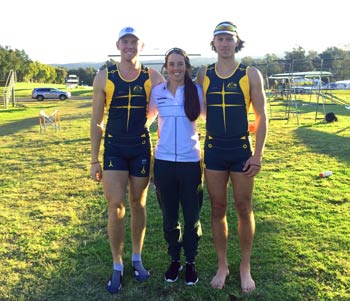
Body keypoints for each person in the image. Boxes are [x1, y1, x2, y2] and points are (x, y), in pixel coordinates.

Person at [90, 26, 165, 294]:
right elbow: (97, 121)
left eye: (134, 42)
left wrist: (149, 121)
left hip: (141, 147)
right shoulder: (104, 76)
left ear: (141, 46)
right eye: (125, 41)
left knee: (138, 203)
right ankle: (117, 265)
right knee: (116, 206)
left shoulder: (153, 76)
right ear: (118, 45)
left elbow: (165, 105)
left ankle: (136, 258)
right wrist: (94, 160)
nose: (129, 46)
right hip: (114, 149)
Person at [196, 21, 268, 293]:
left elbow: (262, 117)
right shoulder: (204, 73)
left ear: (237, 42)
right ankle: (222, 265)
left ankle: (244, 266)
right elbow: (190, 105)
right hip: (214, 149)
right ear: (213, 43)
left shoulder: (250, 73)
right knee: (217, 208)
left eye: (229, 39)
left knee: (243, 206)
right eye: (220, 39)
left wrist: (257, 155)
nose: (224, 43)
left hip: (240, 150)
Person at [148, 47, 205, 286]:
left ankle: (190, 262)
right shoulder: (157, 92)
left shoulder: (196, 91)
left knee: (191, 217)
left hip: (190, 162)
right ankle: (175, 260)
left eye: (180, 64)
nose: (176, 68)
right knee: (169, 217)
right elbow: (146, 120)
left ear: (186, 66)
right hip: (163, 164)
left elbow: (210, 120)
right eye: (172, 64)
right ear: (166, 67)